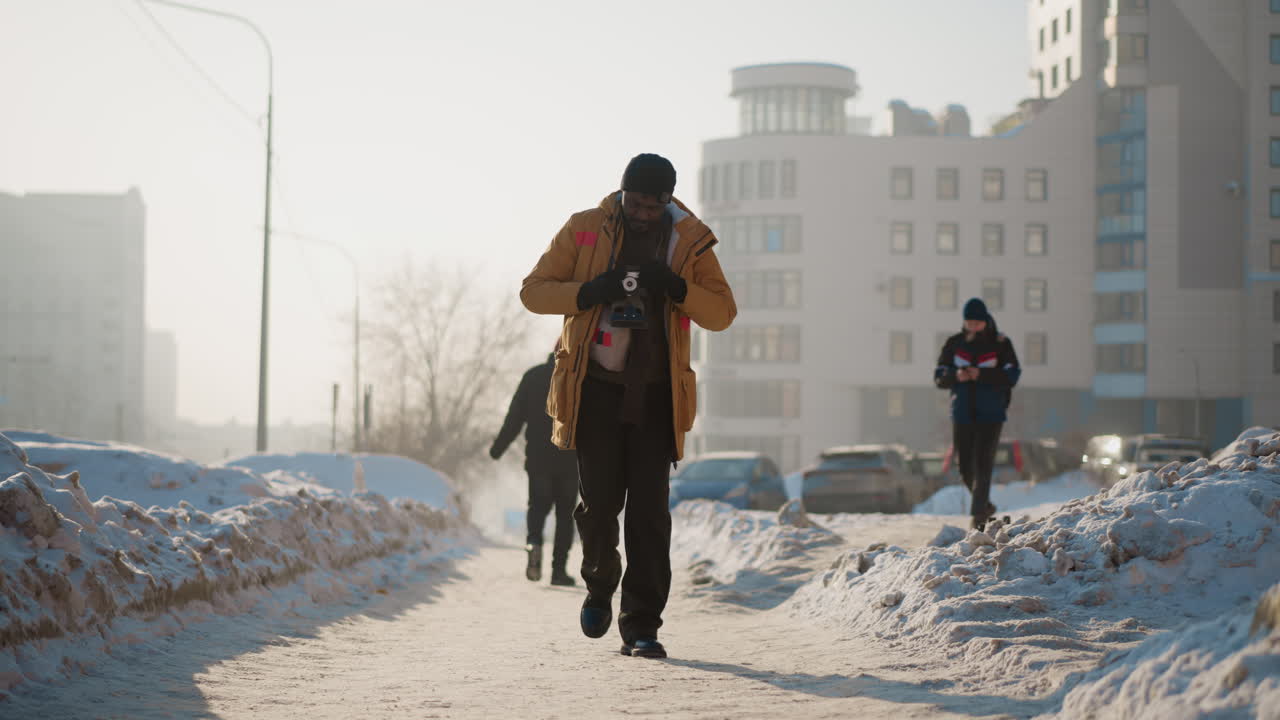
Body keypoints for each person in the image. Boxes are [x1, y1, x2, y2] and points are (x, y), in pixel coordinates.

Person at [519, 153, 736, 659]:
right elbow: (533, 292)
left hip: (658, 397)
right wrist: (590, 291)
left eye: (654, 206)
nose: (644, 215)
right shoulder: (584, 228)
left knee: (650, 516)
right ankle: (598, 586)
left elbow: (722, 312)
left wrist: (679, 288)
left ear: (667, 200)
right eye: (636, 204)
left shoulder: (690, 238)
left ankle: (642, 626)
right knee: (598, 507)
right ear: (623, 194)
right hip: (595, 392)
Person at [490, 349, 580, 587]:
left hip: (538, 459)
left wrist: (497, 448)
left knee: (538, 507)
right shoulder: (578, 377)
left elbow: (514, 418)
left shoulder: (533, 376)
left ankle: (534, 544)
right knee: (565, 516)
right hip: (570, 459)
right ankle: (559, 570)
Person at [934, 298, 1021, 531]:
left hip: (991, 413)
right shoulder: (954, 343)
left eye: (977, 323)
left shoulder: (1001, 344)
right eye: (969, 322)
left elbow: (1012, 375)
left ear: (985, 321)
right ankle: (984, 506)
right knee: (965, 466)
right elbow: (939, 375)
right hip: (962, 411)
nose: (972, 327)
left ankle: (978, 518)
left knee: (984, 463)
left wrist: (981, 375)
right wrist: (956, 376)